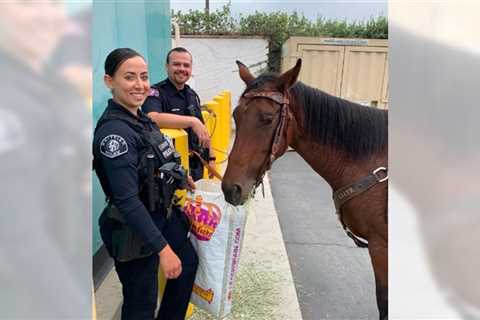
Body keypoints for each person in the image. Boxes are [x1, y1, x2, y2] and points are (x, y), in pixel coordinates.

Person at [93, 48, 198, 320]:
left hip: (160, 213)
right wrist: (163, 250)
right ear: (109, 81)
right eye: (129, 77)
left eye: (143, 76)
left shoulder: (141, 119)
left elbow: (160, 154)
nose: (139, 85)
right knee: (141, 303)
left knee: (187, 263)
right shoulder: (114, 135)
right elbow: (127, 201)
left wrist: (180, 175)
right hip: (133, 229)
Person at [142, 47, 215, 181]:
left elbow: (202, 130)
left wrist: (211, 158)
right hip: (169, 169)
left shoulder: (192, 94)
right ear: (167, 66)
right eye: (176, 64)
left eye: (186, 65)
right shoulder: (155, 92)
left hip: (196, 164)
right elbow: (152, 117)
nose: (182, 68)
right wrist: (192, 121)